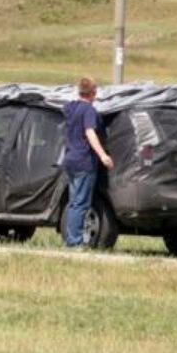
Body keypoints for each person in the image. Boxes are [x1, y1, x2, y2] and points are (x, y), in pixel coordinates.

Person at [63, 78, 114, 249]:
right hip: (84, 160)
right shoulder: (89, 111)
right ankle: (75, 242)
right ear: (93, 93)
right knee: (81, 203)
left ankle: (70, 239)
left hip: (70, 159)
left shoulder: (70, 108)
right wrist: (103, 155)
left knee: (73, 202)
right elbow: (90, 132)